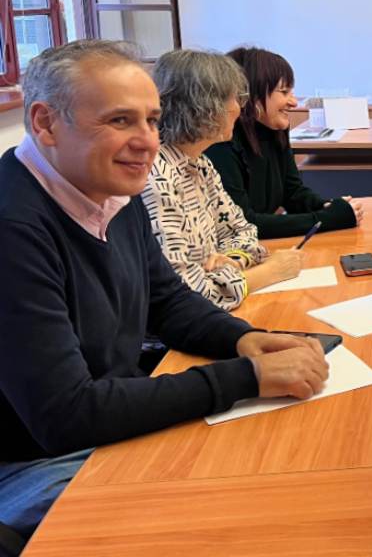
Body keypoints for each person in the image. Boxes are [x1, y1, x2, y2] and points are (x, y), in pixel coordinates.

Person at [0, 40, 329, 539]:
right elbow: (66, 415)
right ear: (46, 123)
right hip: (34, 465)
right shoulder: (13, 227)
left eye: (152, 120)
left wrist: (241, 338)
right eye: (119, 121)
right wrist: (245, 377)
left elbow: (167, 299)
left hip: (101, 425)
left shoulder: (107, 188)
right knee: (238, 513)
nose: (148, 141)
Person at [143, 50, 304, 309]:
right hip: (174, 342)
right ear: (206, 106)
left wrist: (235, 259)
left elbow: (243, 230)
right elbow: (187, 297)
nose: (240, 109)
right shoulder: (156, 179)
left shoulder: (200, 164)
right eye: (236, 98)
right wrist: (266, 273)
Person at [206, 47, 364, 238]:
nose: (294, 102)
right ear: (250, 95)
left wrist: (326, 206)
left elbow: (292, 192)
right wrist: (325, 219)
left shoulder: (275, 130)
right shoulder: (221, 143)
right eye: (284, 91)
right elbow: (245, 223)